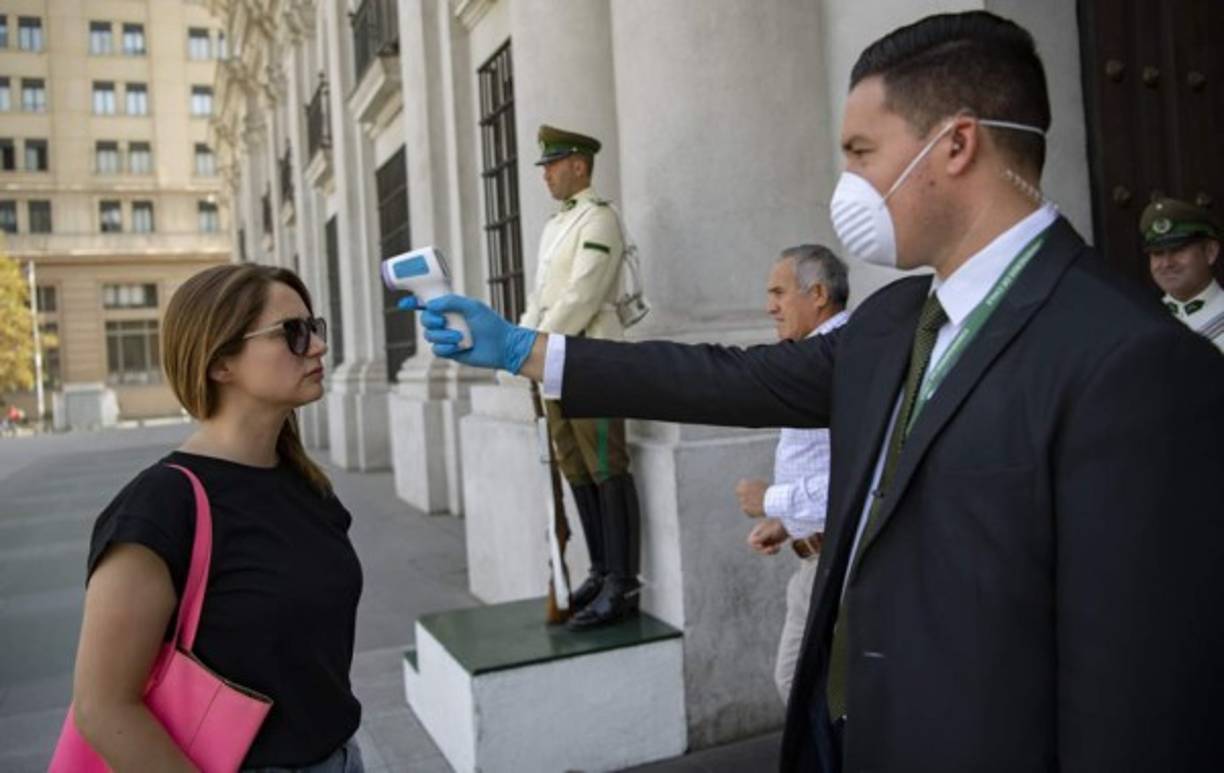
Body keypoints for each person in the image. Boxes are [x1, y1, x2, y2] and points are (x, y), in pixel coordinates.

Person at [407, 10, 1224, 772]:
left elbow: (1134, 696)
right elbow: (728, 377)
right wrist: (527, 350)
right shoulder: (893, 319)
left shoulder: (1132, 361)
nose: (847, 185)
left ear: (956, 144)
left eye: (862, 152)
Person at [70, 265, 365, 772]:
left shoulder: (304, 483)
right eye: (292, 333)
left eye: (314, 327)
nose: (317, 346)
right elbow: (103, 708)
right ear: (220, 363)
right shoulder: (159, 507)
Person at [521, 124, 641, 630]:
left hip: (588, 360)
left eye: (553, 164)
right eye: (545, 166)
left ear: (580, 165)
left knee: (606, 465)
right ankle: (599, 570)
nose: (546, 174)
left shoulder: (601, 219)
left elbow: (583, 296)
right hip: (553, 361)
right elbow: (542, 297)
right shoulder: (554, 227)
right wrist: (522, 346)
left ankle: (623, 582)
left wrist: (537, 345)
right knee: (575, 467)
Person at [735, 245, 849, 704]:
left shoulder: (841, 360)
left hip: (838, 565)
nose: (769, 306)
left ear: (817, 293)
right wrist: (788, 523)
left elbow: (860, 479)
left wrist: (774, 500)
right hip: (813, 560)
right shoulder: (816, 357)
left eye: (779, 292)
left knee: (816, 696)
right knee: (804, 691)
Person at [1141, 195, 1224, 351]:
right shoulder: (1143, 317)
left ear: (1210, 252)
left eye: (1178, 250)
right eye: (1157, 253)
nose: (1166, 263)